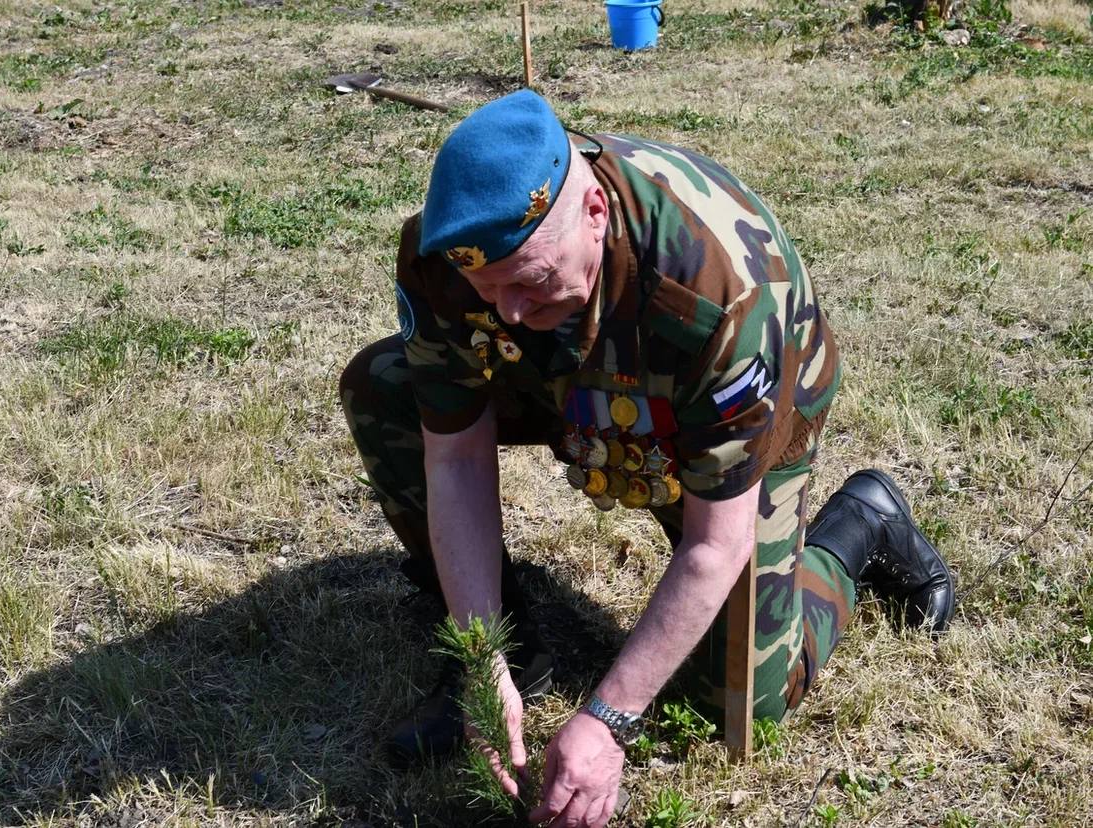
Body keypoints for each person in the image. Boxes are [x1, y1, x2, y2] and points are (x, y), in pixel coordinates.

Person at [339, 90, 954, 828]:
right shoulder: (446, 257)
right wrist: (483, 656)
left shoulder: (719, 298)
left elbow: (714, 544)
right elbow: (457, 463)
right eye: (488, 291)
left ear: (593, 213)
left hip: (731, 407)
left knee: (739, 710)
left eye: (530, 282)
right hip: (567, 373)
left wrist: (609, 718)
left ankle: (859, 527)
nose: (506, 313)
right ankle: (518, 648)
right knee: (385, 389)